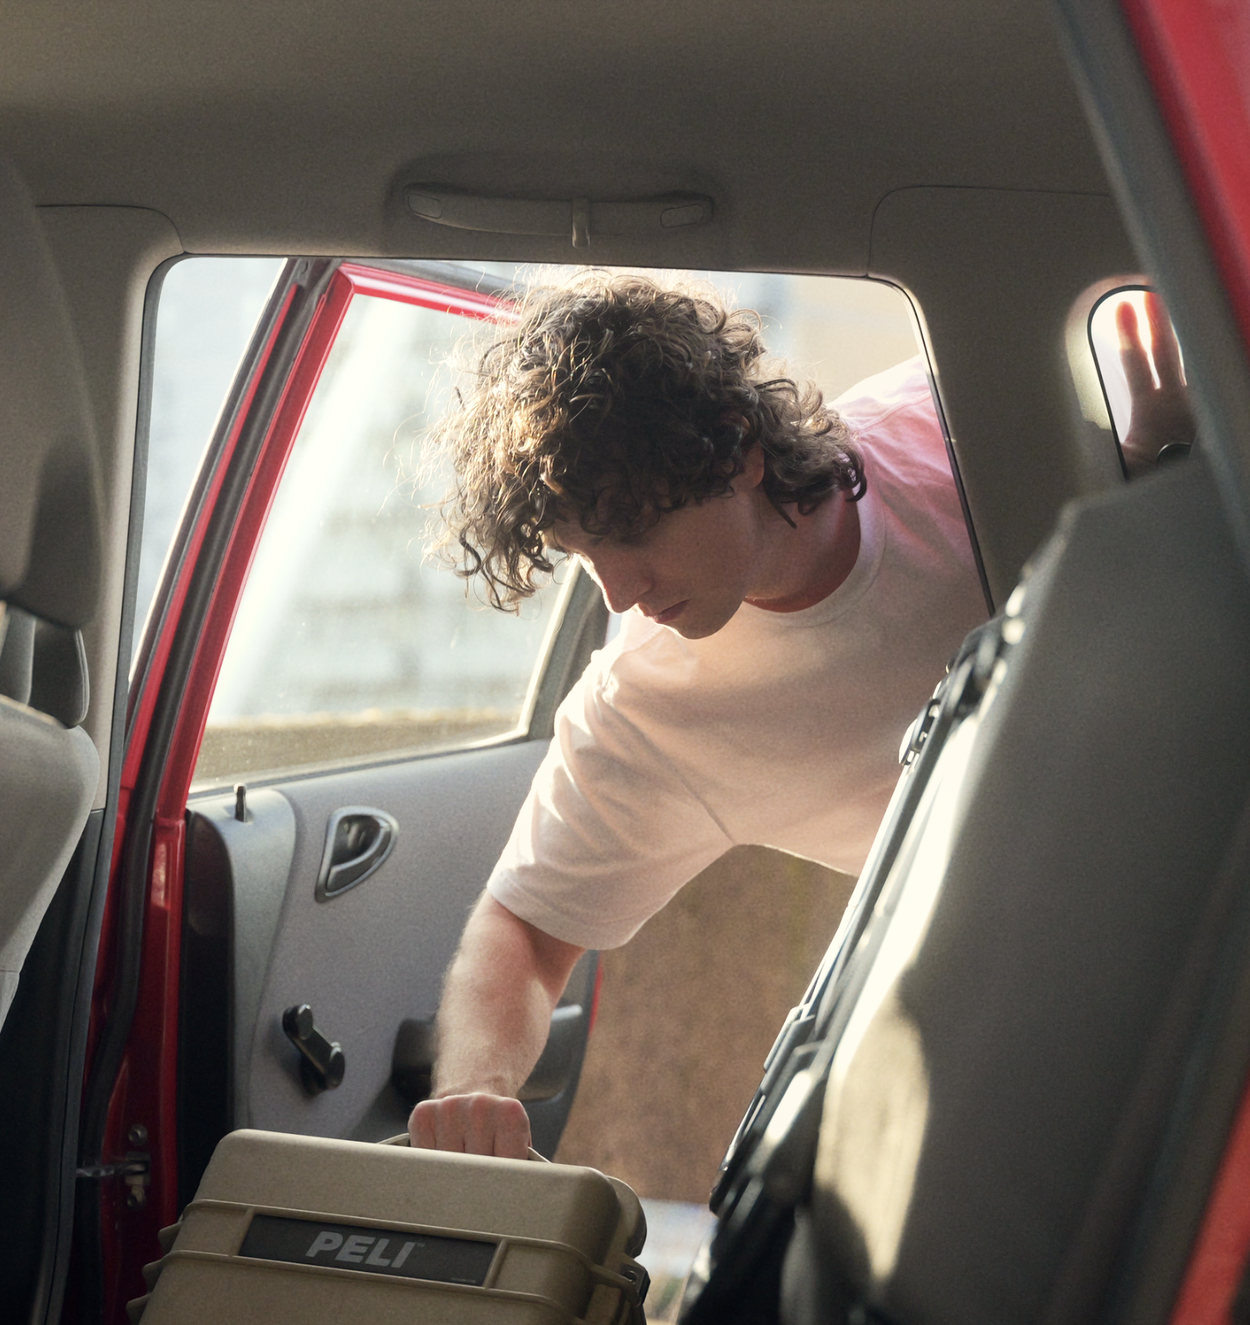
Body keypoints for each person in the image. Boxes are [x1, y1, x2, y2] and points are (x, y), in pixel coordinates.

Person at [405, 271, 991, 1161]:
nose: (622, 592)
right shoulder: (647, 708)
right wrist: (473, 1093)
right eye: (583, 556)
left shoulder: (949, 424)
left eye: (634, 533)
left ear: (739, 450)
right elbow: (519, 929)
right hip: (1012, 964)